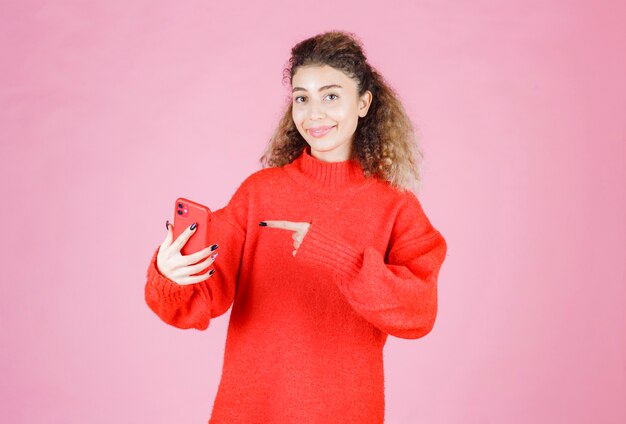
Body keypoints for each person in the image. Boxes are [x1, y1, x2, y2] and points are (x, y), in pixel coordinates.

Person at [144, 30, 448, 424]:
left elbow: (418, 311)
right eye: (302, 98)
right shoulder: (259, 194)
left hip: (345, 413)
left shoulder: (395, 207)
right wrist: (170, 274)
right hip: (250, 410)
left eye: (331, 95)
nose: (314, 113)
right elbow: (199, 300)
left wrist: (337, 256)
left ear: (364, 103)